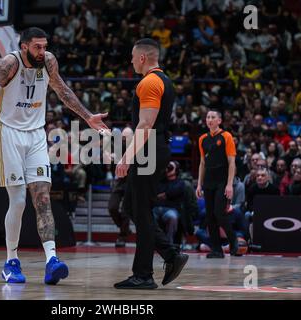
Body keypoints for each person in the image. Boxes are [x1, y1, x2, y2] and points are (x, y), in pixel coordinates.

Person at [0, 27, 109, 284]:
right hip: (9, 135)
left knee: (42, 198)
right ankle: (11, 262)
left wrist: (87, 116)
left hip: (37, 135)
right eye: (38, 46)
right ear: (25, 46)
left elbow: (63, 91)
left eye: (45, 45)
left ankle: (52, 260)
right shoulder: (10, 63)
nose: (43, 51)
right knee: (18, 201)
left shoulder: (49, 61)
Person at [114, 38, 188, 289]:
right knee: (132, 209)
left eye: (133, 57)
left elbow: (145, 126)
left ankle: (144, 274)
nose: (131, 61)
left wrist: (126, 158)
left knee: (141, 211)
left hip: (149, 150)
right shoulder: (163, 80)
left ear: (143, 57)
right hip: (153, 149)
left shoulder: (150, 82)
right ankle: (170, 254)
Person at [196, 110, 241, 258]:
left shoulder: (226, 136)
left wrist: (229, 185)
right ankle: (216, 250)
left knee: (219, 214)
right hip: (208, 181)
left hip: (222, 181)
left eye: (213, 117)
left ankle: (233, 241)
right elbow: (202, 163)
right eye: (208, 117)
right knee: (209, 217)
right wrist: (199, 185)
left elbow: (231, 162)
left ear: (219, 121)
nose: (210, 120)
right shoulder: (202, 139)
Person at [153, 161, 185, 244]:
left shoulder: (180, 182)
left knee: (172, 217)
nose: (168, 169)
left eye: (171, 167)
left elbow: (174, 192)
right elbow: (155, 193)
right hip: (156, 208)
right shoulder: (160, 181)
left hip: (171, 209)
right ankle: (152, 243)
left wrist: (165, 194)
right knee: (148, 217)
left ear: (176, 170)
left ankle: (168, 243)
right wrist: (166, 195)